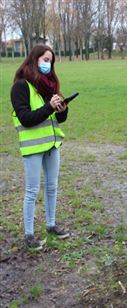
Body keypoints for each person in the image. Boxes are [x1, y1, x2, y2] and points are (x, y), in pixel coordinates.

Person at [11, 44, 70, 251]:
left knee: (52, 187)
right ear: (34, 59)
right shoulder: (21, 86)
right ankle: (29, 235)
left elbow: (58, 119)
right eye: (45, 60)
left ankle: (51, 224)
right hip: (34, 148)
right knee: (32, 190)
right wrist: (49, 107)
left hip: (52, 145)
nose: (49, 65)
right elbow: (26, 118)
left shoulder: (50, 86)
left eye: (51, 61)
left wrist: (62, 109)